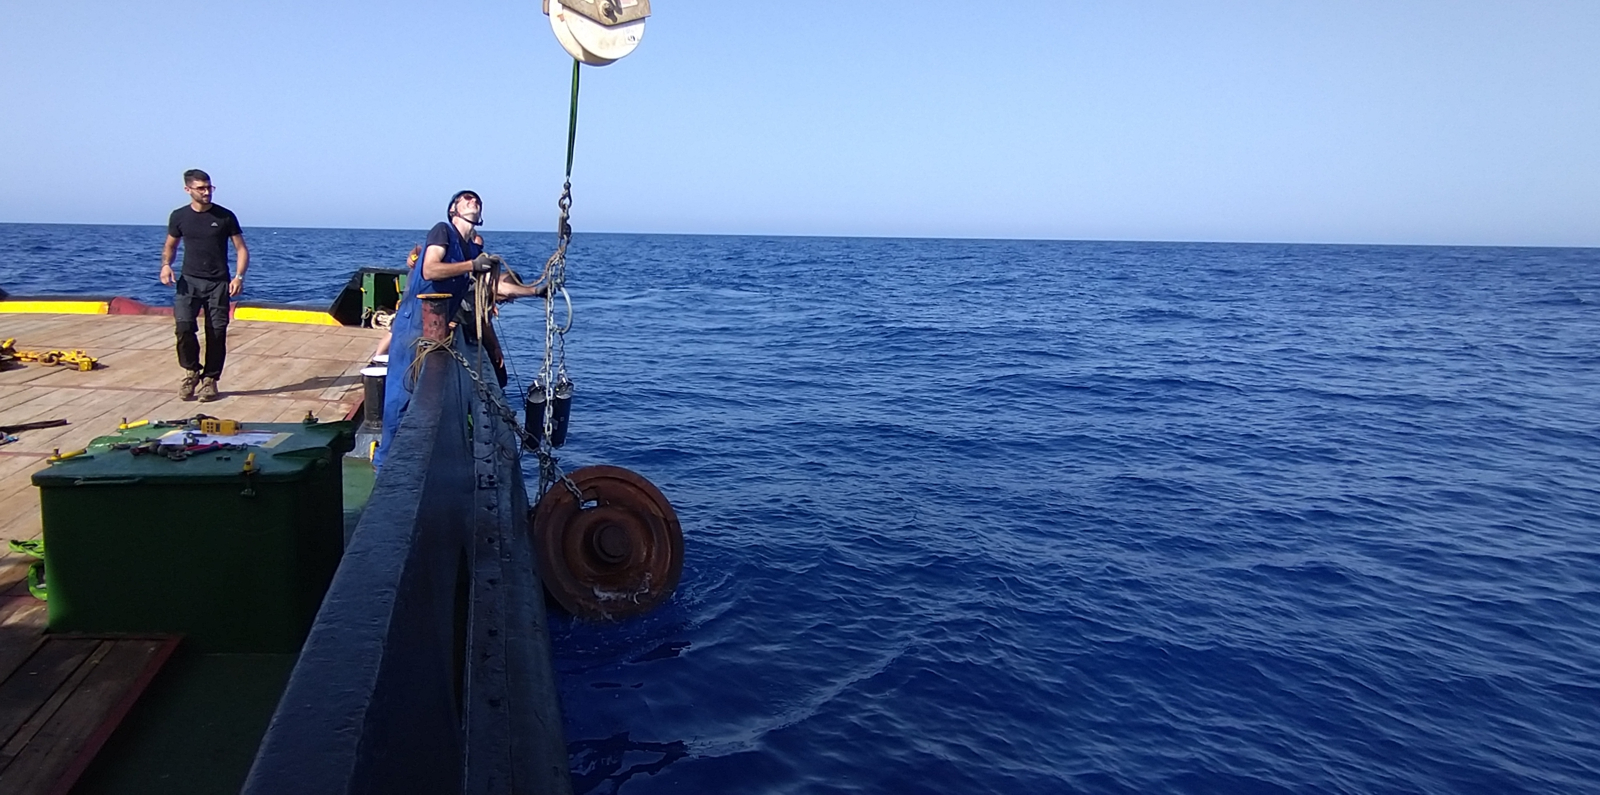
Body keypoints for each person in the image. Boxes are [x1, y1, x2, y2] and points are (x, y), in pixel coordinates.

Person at [374, 190, 543, 469]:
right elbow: (430, 270)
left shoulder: (472, 249)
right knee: (400, 397)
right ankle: (385, 464)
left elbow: (496, 286)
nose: (473, 201)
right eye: (466, 199)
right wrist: (471, 266)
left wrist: (535, 291)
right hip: (413, 323)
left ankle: (419, 455)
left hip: (438, 329)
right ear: (453, 210)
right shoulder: (442, 231)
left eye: (477, 200)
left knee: (425, 393)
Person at [160, 169, 248, 402]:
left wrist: (239, 277)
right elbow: (170, 245)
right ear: (188, 189)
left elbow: (241, 249)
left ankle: (210, 380)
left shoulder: (225, 216)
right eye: (201, 188)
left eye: (209, 187)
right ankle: (191, 372)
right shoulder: (179, 216)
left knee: (216, 332)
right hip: (189, 282)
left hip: (218, 284)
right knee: (183, 327)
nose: (207, 192)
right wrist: (166, 265)